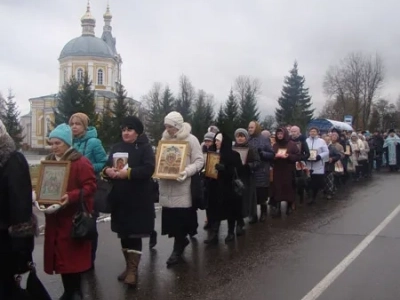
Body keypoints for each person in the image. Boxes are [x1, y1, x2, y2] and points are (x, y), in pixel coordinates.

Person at [102, 116, 155, 287]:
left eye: (129, 130)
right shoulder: (117, 147)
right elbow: (106, 165)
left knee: (134, 233)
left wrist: (129, 173)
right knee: (123, 234)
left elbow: (149, 169)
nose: (125, 132)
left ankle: (133, 270)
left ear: (137, 132)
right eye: (124, 129)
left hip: (138, 199)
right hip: (120, 199)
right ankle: (128, 266)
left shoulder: (145, 148)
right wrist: (107, 171)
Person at [45, 124, 97, 299]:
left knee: (72, 260)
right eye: (51, 143)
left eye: (57, 143)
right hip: (55, 219)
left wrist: (71, 196)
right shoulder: (50, 160)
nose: (53, 147)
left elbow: (90, 186)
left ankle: (74, 293)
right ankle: (69, 292)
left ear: (67, 143)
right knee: (60, 258)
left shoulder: (80, 162)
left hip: (72, 220)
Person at [159, 112, 204, 266]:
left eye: (170, 126)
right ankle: (181, 241)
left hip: (183, 186)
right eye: (166, 126)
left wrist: (187, 171)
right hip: (167, 185)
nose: (168, 129)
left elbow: (199, 161)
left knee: (180, 219)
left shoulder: (191, 140)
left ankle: (177, 249)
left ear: (177, 126)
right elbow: (160, 159)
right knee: (171, 220)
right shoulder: (164, 140)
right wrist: (158, 170)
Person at [0, 120, 36, 299]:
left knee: (7, 285)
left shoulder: (13, 160)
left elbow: (20, 203)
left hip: (6, 237)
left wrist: (22, 244)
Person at [69, 112, 108, 269]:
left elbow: (103, 162)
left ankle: (89, 260)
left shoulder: (94, 142)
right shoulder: (69, 142)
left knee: (89, 224)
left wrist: (87, 168)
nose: (74, 127)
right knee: (74, 224)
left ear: (84, 126)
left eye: (77, 124)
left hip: (90, 188)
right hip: (72, 189)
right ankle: (77, 257)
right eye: (72, 124)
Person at [204, 132, 244, 243]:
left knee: (230, 211)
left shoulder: (234, 155)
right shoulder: (212, 153)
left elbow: (238, 170)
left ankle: (230, 232)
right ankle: (215, 234)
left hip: (228, 187)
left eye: (218, 140)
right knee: (215, 211)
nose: (215, 142)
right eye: (215, 140)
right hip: (214, 187)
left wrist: (225, 168)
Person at [233, 128, 260, 233]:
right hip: (235, 178)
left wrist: (248, 166)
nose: (240, 138)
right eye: (238, 136)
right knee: (236, 200)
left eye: (242, 136)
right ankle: (239, 221)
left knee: (246, 199)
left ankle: (247, 217)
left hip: (247, 177)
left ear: (246, 137)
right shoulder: (232, 148)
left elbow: (257, 163)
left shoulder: (251, 148)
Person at [247, 121, 274, 222]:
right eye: (249, 127)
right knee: (252, 195)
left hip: (262, 171)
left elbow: (272, 154)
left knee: (262, 194)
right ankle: (253, 214)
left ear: (257, 128)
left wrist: (263, 153)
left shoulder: (264, 139)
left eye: (252, 127)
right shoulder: (248, 139)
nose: (250, 129)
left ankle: (263, 212)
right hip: (251, 170)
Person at [271, 127, 301, 216]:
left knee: (288, 189)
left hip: (288, 170)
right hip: (278, 170)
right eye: (278, 134)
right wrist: (275, 157)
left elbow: (298, 156)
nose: (280, 136)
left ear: (285, 134)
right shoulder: (275, 145)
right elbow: (271, 156)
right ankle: (278, 208)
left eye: (281, 134)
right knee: (277, 189)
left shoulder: (292, 144)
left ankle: (289, 207)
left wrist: (288, 156)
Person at [305, 127, 329, 205]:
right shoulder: (306, 141)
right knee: (308, 182)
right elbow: (303, 150)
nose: (312, 133)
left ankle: (314, 197)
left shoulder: (321, 141)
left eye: (314, 131)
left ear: (317, 132)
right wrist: (305, 156)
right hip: (308, 164)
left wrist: (319, 156)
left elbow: (326, 152)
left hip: (318, 165)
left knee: (316, 182)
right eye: (311, 131)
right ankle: (309, 196)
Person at [290, 126, 310, 205]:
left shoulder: (303, 141)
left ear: (299, 132)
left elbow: (307, 153)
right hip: (290, 163)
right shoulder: (288, 140)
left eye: (295, 131)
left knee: (300, 182)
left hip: (299, 164)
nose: (293, 133)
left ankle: (301, 196)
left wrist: (301, 158)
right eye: (292, 131)